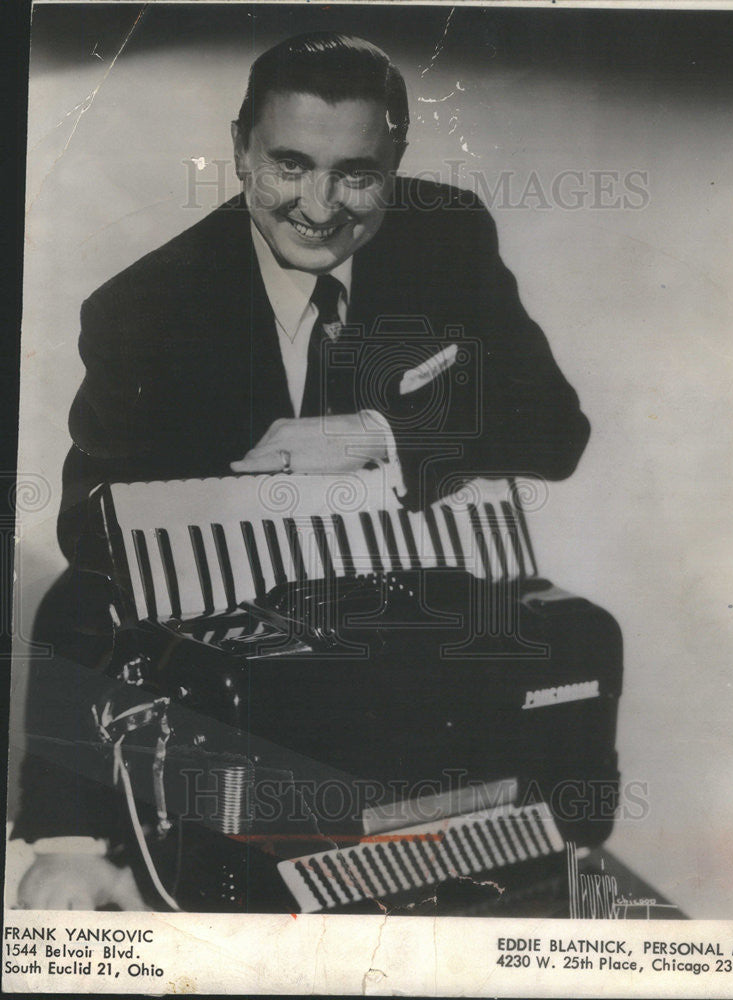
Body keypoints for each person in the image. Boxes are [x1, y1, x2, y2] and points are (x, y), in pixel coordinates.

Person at [15, 31, 590, 909]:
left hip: (401, 639)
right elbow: (89, 559)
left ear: (396, 159)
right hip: (236, 656)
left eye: (357, 173)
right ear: (241, 151)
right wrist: (67, 835)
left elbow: (555, 431)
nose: (319, 206)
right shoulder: (147, 309)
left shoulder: (449, 237)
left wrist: (375, 435)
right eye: (289, 164)